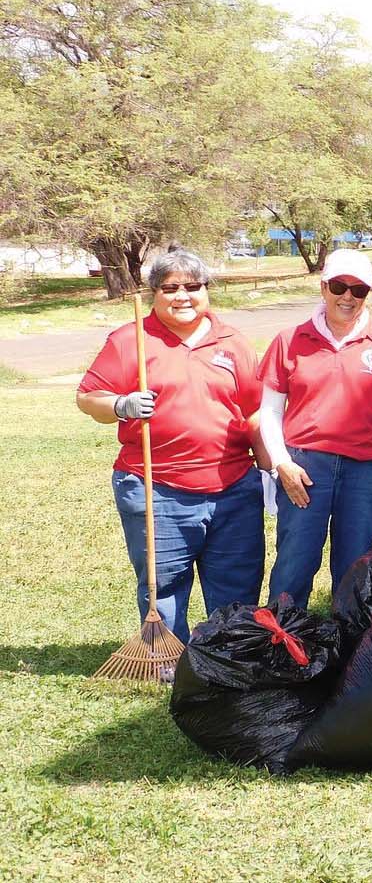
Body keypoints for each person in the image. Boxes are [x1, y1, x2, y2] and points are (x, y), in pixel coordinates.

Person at [77, 249, 266, 645]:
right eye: (171, 288)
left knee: (238, 584)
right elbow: (88, 397)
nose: (183, 296)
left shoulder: (233, 342)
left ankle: (227, 655)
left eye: (193, 287)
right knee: (163, 584)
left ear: (207, 290)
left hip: (233, 488)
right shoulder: (131, 341)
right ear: (154, 294)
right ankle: (168, 656)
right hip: (154, 486)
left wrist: (272, 469)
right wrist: (120, 404)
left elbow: (254, 414)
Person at [259, 249, 372, 609]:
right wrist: (282, 463)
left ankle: (347, 649)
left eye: (358, 290)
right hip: (306, 468)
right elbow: (269, 410)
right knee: (295, 562)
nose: (347, 297)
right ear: (323, 287)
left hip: (366, 471)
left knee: (355, 567)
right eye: (339, 286)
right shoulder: (290, 340)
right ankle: (284, 640)